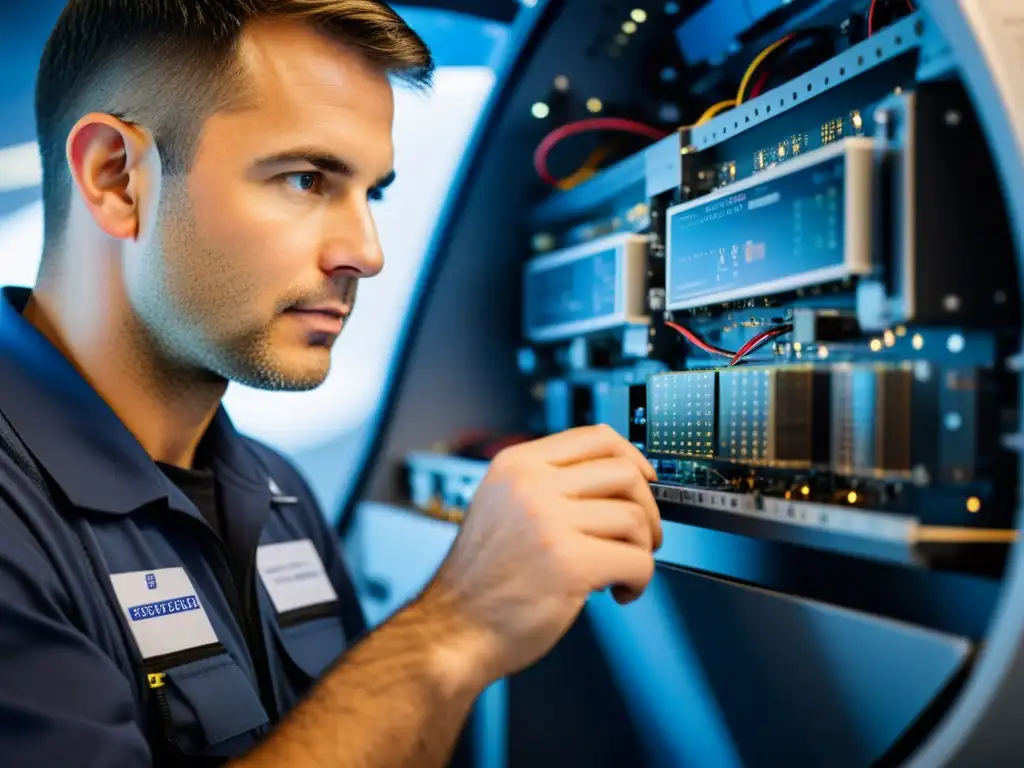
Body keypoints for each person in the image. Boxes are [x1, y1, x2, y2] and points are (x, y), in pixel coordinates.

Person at [0, 0, 663, 765]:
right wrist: (454, 626)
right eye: (306, 179)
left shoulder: (277, 494)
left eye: (371, 193)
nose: (366, 252)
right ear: (117, 178)